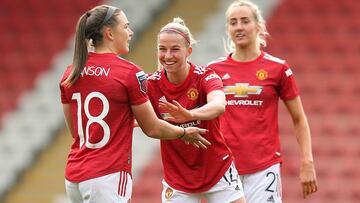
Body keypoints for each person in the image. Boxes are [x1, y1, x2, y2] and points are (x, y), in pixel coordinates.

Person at [59, 5, 211, 203]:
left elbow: (76, 131)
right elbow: (153, 128)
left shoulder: (71, 72)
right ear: (109, 33)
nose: (130, 32)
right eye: (126, 27)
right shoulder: (129, 73)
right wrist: (183, 133)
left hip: (74, 178)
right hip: (107, 175)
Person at [207, 1, 318, 202]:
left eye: (245, 21)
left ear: (258, 25)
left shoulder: (278, 69)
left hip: (264, 168)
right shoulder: (212, 70)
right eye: (233, 22)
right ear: (228, 29)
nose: (239, 27)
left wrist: (307, 162)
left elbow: (299, 118)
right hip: (224, 168)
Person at [146, 17, 246, 203]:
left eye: (175, 49)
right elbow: (143, 120)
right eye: (162, 49)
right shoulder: (151, 84)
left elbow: (219, 105)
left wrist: (190, 115)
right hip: (177, 178)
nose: (167, 56)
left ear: (188, 51)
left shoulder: (205, 76)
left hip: (218, 170)